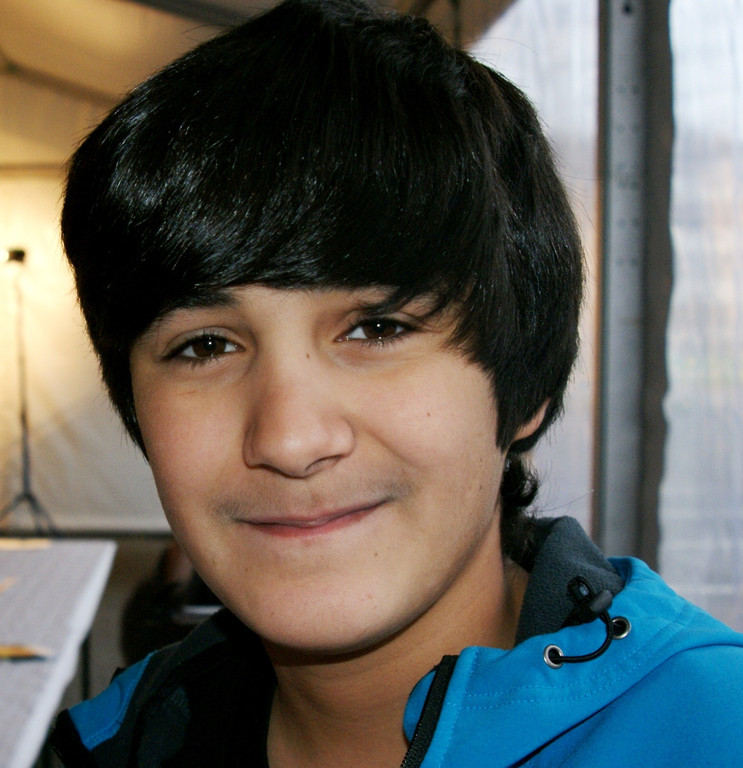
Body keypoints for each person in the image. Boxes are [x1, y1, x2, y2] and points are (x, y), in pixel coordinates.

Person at [51, 0, 743, 765]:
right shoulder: (116, 742)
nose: (289, 438)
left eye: (377, 328)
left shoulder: (711, 732)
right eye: (205, 345)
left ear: (524, 383)